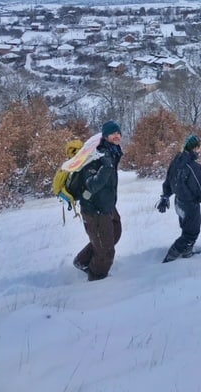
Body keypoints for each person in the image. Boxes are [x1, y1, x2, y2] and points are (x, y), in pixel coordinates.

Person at [73, 120, 123, 281]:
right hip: (94, 209)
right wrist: (106, 168)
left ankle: (82, 261)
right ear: (105, 136)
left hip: (107, 205)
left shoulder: (112, 151)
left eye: (118, 133)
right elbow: (91, 185)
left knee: (115, 232)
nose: (116, 136)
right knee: (106, 251)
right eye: (112, 133)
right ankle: (97, 280)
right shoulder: (96, 155)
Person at [156, 134, 201, 263]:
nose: (200, 151)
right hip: (190, 205)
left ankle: (187, 251)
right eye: (199, 148)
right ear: (194, 148)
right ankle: (171, 256)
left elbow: (169, 180)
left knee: (186, 229)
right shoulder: (192, 166)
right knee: (192, 232)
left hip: (179, 203)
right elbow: (200, 187)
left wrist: (165, 196)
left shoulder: (177, 161)